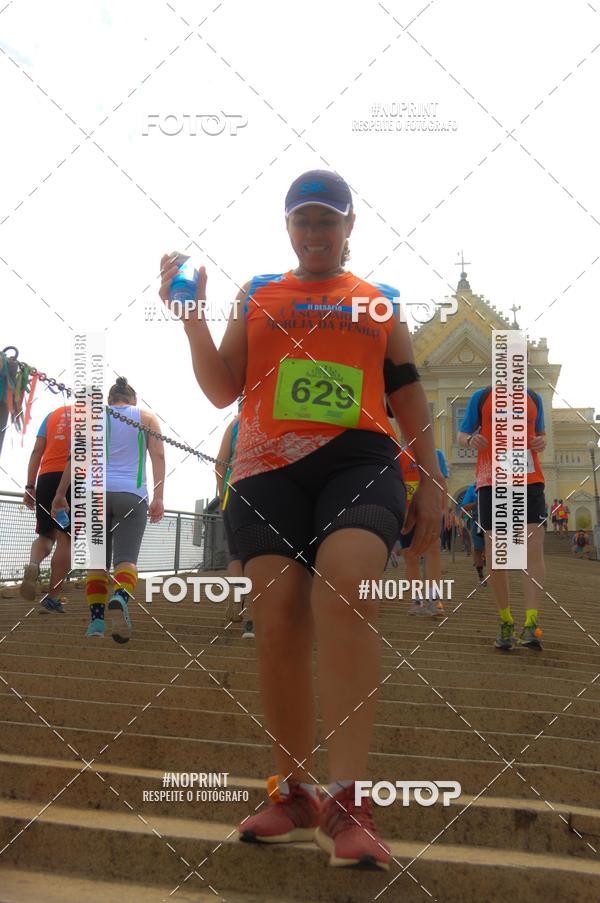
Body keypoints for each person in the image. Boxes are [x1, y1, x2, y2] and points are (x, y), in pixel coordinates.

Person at [159, 169, 443, 871]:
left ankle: (348, 802)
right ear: (288, 229)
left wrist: (432, 483)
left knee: (344, 587)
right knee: (279, 612)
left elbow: (408, 398)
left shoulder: (379, 303)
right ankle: (293, 793)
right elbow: (225, 387)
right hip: (266, 468)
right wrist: (190, 315)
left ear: (351, 229)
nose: (316, 234)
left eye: (329, 221)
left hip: (360, 458)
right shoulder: (258, 294)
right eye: (304, 221)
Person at [52, 377, 165, 641]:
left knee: (98, 562)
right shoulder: (147, 418)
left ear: (109, 400)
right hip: (132, 494)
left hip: (95, 495)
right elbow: (158, 456)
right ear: (133, 400)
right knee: (126, 560)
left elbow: (76, 458)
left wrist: (59, 493)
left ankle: (96, 624)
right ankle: (120, 594)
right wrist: (158, 496)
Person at [458, 385, 547, 651]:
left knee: (533, 548)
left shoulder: (533, 398)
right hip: (491, 480)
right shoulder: (482, 396)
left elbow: (541, 436)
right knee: (498, 555)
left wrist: (541, 441)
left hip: (529, 478)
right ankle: (505, 621)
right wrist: (471, 440)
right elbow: (463, 435)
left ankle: (531, 624)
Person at [20, 401, 72, 612]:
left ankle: (33, 565)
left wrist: (30, 486)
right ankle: (52, 598)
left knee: (45, 535)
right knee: (66, 538)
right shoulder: (93, 417)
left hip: (46, 477)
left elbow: (36, 451)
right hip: (72, 479)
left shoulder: (52, 414)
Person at [216, 412, 254, 637]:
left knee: (236, 554)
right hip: (266, 488)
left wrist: (222, 496)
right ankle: (254, 618)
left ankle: (238, 600)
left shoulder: (235, 422)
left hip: (234, 489)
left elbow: (220, 464)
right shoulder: (279, 410)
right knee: (262, 554)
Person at [398, 445, 448, 615]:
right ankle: (417, 600)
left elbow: (442, 482)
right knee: (410, 556)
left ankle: (434, 599)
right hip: (406, 513)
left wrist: (443, 510)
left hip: (430, 511)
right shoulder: (397, 454)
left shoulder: (436, 454)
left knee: (433, 550)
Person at [460, 482, 486, 584]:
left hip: (495, 522)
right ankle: (481, 577)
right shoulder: (472, 488)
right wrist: (478, 504)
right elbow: (464, 507)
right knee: (478, 549)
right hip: (477, 522)